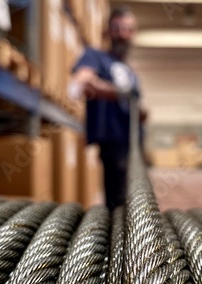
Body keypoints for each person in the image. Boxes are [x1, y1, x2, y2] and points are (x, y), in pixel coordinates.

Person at [70, 6, 145, 211]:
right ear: (106, 31)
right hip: (113, 145)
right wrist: (116, 93)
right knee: (117, 203)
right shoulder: (95, 57)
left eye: (128, 29)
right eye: (117, 28)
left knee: (136, 201)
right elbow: (81, 83)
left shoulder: (129, 71)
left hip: (134, 145)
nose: (122, 34)